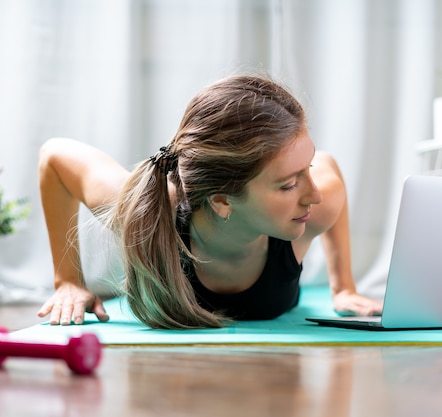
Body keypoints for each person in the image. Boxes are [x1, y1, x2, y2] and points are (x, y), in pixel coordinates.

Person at [37, 74, 383, 329]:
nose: (314, 195)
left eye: (306, 170)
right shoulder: (146, 208)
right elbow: (56, 156)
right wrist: (67, 281)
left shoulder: (319, 203)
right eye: (289, 184)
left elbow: (328, 171)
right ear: (221, 202)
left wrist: (344, 288)